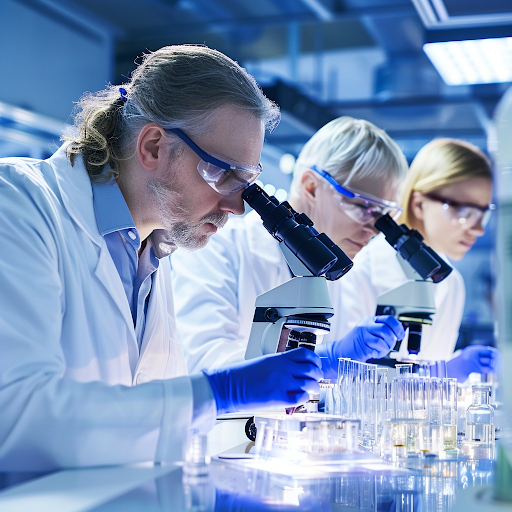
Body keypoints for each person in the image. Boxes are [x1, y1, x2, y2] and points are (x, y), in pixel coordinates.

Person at [0, 45, 324, 471]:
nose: (236, 207)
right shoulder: (17, 204)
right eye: (223, 173)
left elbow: (145, 417)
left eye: (245, 182)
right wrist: (219, 392)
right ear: (153, 146)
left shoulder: (152, 253)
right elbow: (16, 416)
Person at [171, 116, 409, 379]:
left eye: (385, 216)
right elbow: (203, 362)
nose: (374, 229)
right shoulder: (219, 248)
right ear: (311, 187)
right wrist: (324, 360)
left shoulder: (339, 275)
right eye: (364, 207)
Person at [336, 138, 499, 382]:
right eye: (464, 212)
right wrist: (442, 373)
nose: (478, 229)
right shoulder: (359, 270)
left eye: (483, 214)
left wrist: (451, 372)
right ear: (419, 204)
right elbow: (341, 381)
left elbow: (431, 386)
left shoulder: (452, 283)